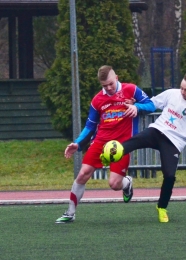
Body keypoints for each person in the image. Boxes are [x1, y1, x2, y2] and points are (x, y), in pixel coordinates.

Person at [55, 65, 156, 224]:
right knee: (83, 174)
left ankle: (127, 182)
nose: (108, 88)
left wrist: (137, 107)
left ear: (116, 78)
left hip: (122, 144)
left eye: (110, 83)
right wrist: (78, 143)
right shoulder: (97, 100)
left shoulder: (131, 90)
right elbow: (90, 125)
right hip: (101, 140)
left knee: (114, 184)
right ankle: (70, 213)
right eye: (104, 86)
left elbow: (151, 105)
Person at [101, 72, 186, 223]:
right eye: (182, 88)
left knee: (169, 176)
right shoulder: (172, 94)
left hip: (173, 142)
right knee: (133, 142)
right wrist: (137, 105)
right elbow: (152, 103)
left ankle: (162, 207)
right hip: (157, 131)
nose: (182, 92)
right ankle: (107, 156)